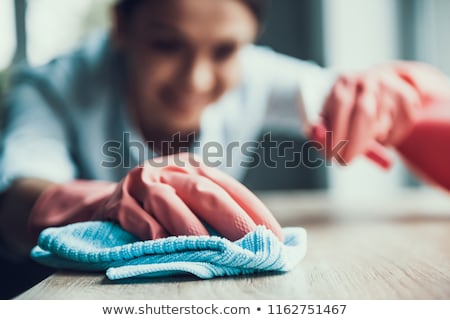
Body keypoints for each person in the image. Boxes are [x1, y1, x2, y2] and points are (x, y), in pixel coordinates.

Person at [1, 0, 450, 262]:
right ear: (122, 26)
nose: (196, 79)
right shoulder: (53, 87)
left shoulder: (254, 74)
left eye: (225, 50)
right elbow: (14, 200)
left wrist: (402, 94)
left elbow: (391, 108)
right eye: (166, 44)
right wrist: (108, 202)